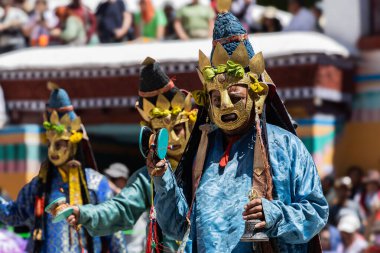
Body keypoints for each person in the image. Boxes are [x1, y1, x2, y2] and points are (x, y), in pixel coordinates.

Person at [150, 1, 328, 252]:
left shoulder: (285, 146)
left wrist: (274, 214)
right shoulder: (202, 150)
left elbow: (316, 212)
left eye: (234, 97)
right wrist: (162, 178)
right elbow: (177, 227)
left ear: (256, 95)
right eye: (215, 99)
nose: (224, 106)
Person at [65, 57, 198, 252]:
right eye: (162, 132)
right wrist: (85, 213)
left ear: (189, 124)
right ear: (152, 136)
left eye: (177, 128)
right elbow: (121, 208)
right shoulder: (148, 178)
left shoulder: (204, 164)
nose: (172, 139)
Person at [0, 83, 127, 252]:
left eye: (59, 144)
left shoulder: (96, 184)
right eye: (50, 144)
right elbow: (13, 215)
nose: (52, 150)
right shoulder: (39, 185)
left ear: (73, 145)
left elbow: (114, 233)